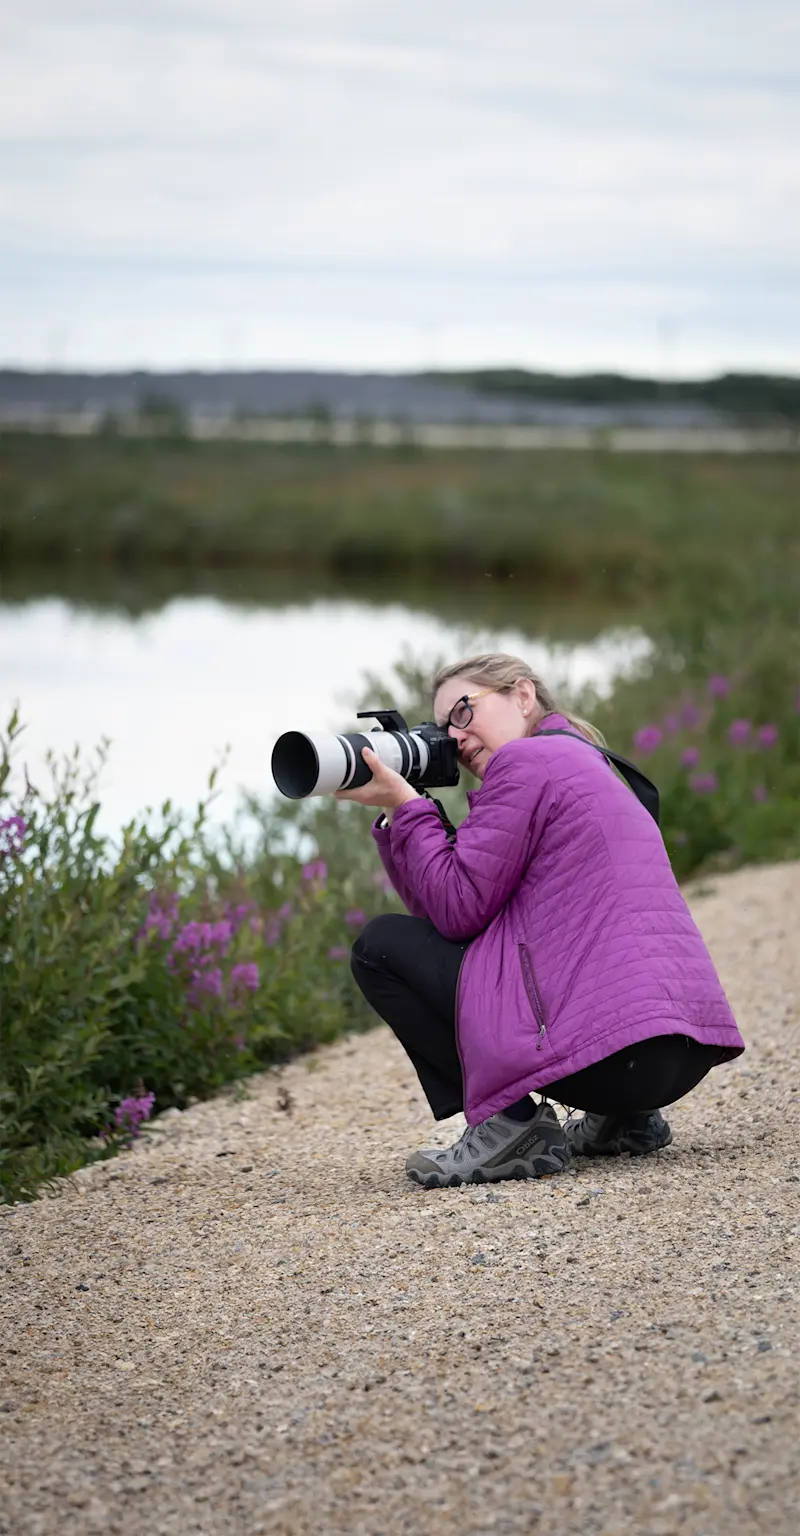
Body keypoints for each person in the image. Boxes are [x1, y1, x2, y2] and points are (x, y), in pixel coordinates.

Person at [337, 653, 745, 1189]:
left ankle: (511, 1126)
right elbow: (450, 910)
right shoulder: (588, 761)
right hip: (672, 1056)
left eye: (462, 712)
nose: (453, 738)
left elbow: (457, 911)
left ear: (523, 696)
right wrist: (400, 812)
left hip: (610, 1058)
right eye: (440, 729)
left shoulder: (523, 763)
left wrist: (409, 807)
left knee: (380, 946)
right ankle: (623, 1123)